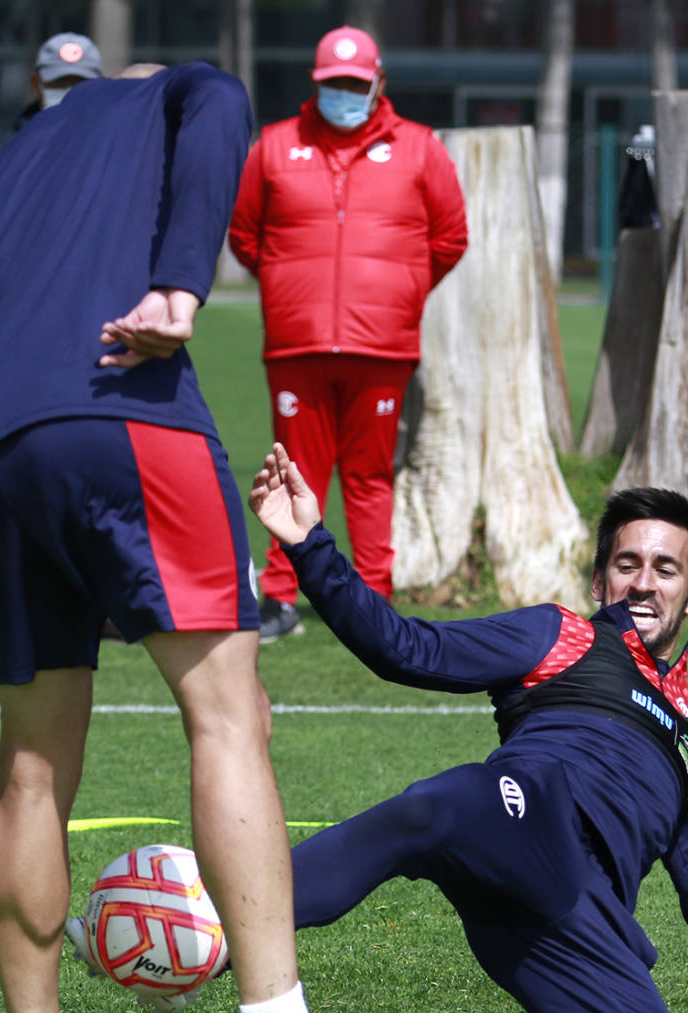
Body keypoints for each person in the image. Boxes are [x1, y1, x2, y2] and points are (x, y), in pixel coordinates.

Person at [0, 63, 429, 1013]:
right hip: (128, 418)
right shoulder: (166, 92)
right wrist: (183, 282)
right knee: (229, 715)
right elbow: (221, 101)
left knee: (31, 769)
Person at [246, 445, 688, 1013]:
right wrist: (310, 546)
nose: (644, 583)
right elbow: (405, 648)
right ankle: (216, 926)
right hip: (517, 822)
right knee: (442, 806)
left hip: (574, 913)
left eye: (667, 569)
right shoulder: (559, 635)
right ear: (600, 582)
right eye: (627, 565)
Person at [228, 25, 469, 642]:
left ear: (378, 82)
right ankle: (281, 598)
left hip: (381, 347)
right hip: (297, 344)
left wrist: (401, 293)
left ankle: (372, 600)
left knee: (368, 475)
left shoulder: (419, 148)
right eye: (333, 83)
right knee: (292, 472)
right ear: (316, 83)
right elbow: (245, 234)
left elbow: (449, 238)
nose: (343, 93)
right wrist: (291, 288)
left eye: (354, 83)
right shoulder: (276, 145)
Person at [0, 33, 105, 175]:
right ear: (36, 84)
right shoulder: (2, 153)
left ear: (102, 84)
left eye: (79, 84)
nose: (69, 92)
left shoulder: (116, 145)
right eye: (58, 83)